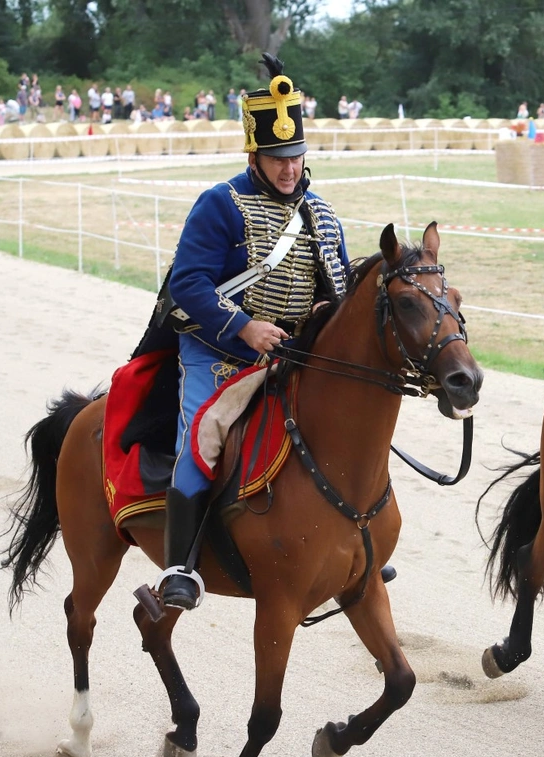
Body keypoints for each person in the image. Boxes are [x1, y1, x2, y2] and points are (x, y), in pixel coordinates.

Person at [150, 54, 352, 613]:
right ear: (254, 154)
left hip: (291, 356)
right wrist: (242, 325)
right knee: (204, 436)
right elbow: (188, 282)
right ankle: (180, 565)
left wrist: (325, 311)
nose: (290, 168)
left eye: (296, 155)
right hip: (217, 348)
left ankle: (349, 536)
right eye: (277, 157)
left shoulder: (323, 215)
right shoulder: (221, 204)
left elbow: (338, 289)